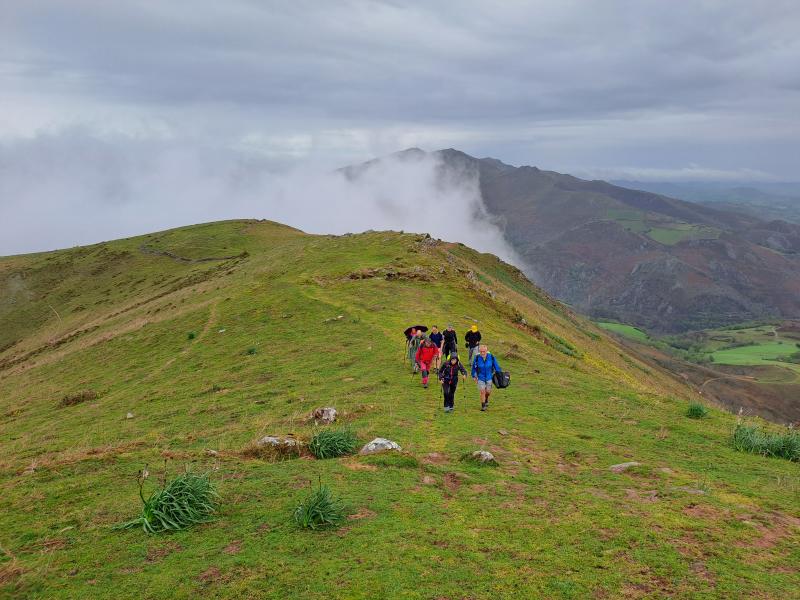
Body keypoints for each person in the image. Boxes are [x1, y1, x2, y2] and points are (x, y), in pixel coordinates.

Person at [471, 344, 502, 412]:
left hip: (489, 377)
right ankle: (483, 405)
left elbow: (496, 366)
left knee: (488, 392)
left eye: (484, 351)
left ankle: (486, 398)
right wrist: (474, 376)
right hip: (480, 377)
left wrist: (499, 373)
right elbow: (473, 367)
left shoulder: (491, 357)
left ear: (487, 351)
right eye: (481, 351)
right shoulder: (476, 358)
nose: (482, 353)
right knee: (482, 391)